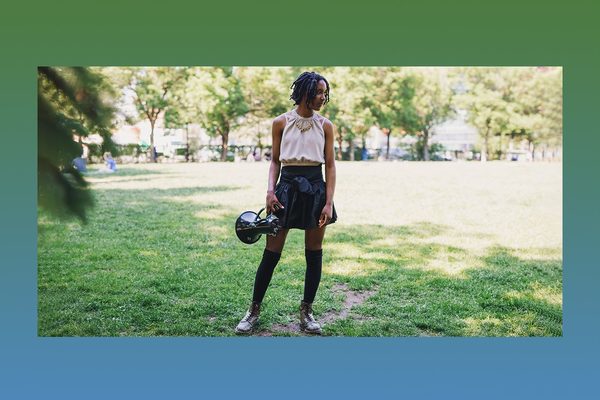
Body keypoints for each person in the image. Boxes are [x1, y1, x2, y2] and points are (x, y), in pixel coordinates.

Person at [235, 71, 338, 335]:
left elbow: (331, 166)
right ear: (304, 92)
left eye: (324, 93)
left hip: (315, 189)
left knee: (314, 253)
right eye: (318, 92)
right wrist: (270, 191)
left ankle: (307, 311)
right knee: (271, 253)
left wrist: (328, 202)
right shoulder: (281, 122)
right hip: (285, 191)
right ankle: (253, 310)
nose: (322, 97)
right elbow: (274, 162)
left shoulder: (326, 125)